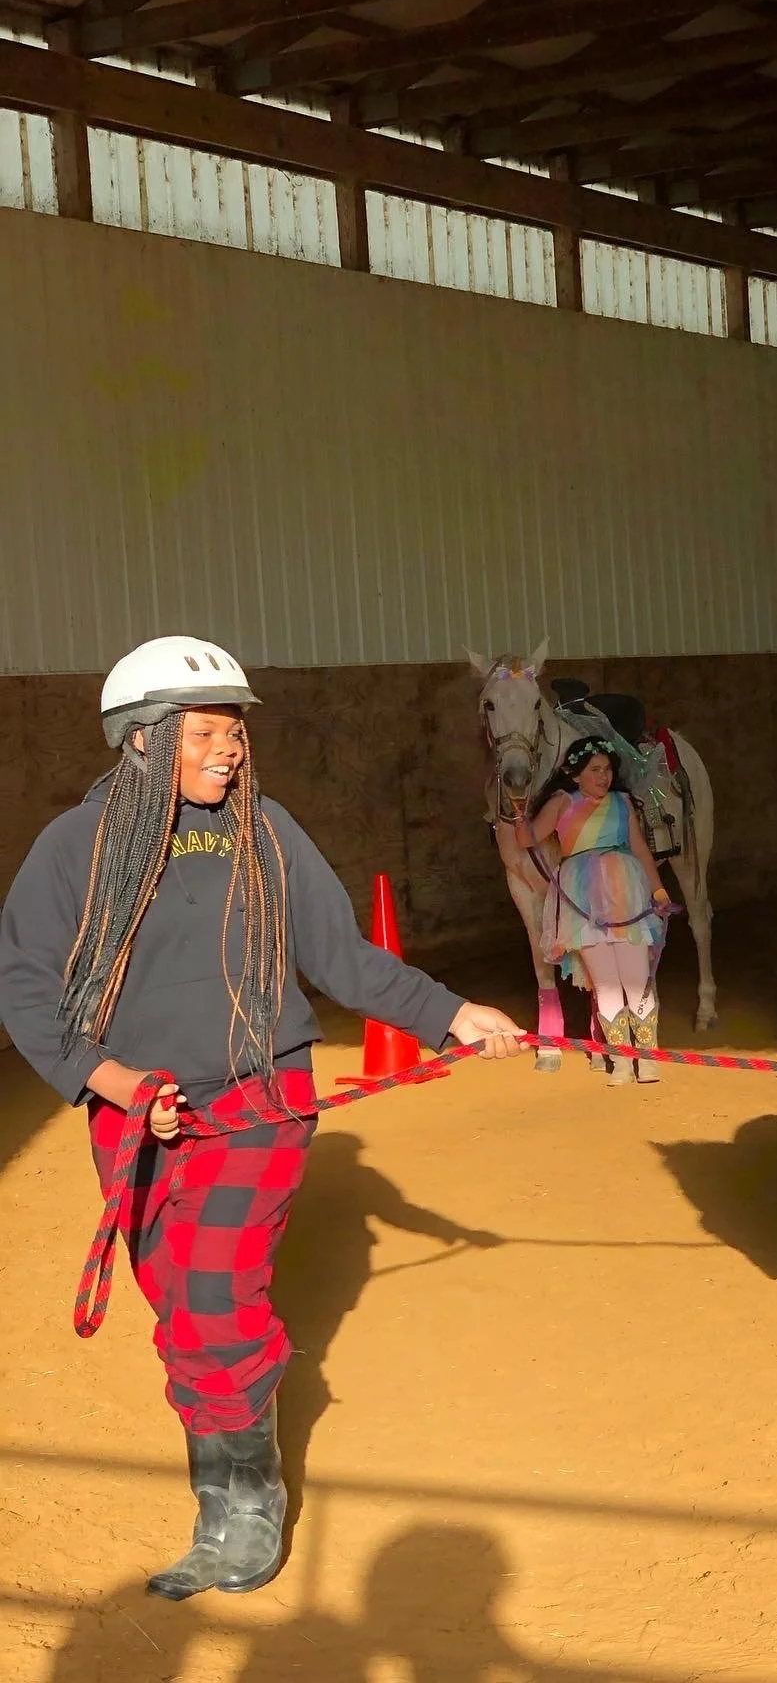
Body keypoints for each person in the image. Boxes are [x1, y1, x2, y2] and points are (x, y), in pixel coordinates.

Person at [0, 636, 523, 1602]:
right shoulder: (73, 850)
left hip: (257, 1101)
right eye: (206, 730)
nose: (230, 748)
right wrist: (112, 1082)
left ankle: (242, 1508)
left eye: (234, 730)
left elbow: (345, 958)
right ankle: (229, 1474)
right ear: (146, 741)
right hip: (136, 1110)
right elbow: (29, 990)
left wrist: (452, 1012)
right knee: (177, 1303)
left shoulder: (267, 831)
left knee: (209, 1304)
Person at [516, 737, 669, 1084]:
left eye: (608, 770)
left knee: (635, 978)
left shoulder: (622, 803)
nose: (604, 777)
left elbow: (641, 850)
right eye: (595, 770)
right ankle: (622, 1061)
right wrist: (517, 813)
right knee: (607, 982)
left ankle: (647, 1059)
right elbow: (529, 838)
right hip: (582, 899)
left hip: (625, 892)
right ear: (575, 774)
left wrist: (658, 890)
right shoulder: (561, 803)